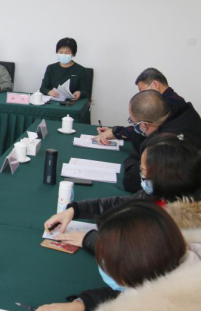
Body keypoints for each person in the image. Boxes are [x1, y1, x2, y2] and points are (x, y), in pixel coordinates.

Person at [43, 133, 201, 253]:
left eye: (143, 171)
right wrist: (74, 210)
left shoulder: (187, 221)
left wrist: (90, 239)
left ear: (164, 176)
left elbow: (142, 252)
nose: (141, 175)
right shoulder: (163, 192)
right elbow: (123, 204)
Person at [37, 201, 200, 311]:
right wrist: (81, 304)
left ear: (129, 269)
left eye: (104, 260)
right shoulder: (176, 264)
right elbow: (134, 291)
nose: (101, 265)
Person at [121, 90, 201, 192]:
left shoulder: (165, 145)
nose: (133, 126)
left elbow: (131, 181)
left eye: (133, 122)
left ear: (144, 124)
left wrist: (131, 161)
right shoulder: (183, 113)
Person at [96, 68, 187, 145]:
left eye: (142, 90)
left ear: (155, 85)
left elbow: (146, 131)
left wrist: (116, 132)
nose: (142, 95)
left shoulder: (170, 105)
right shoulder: (173, 100)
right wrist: (115, 132)